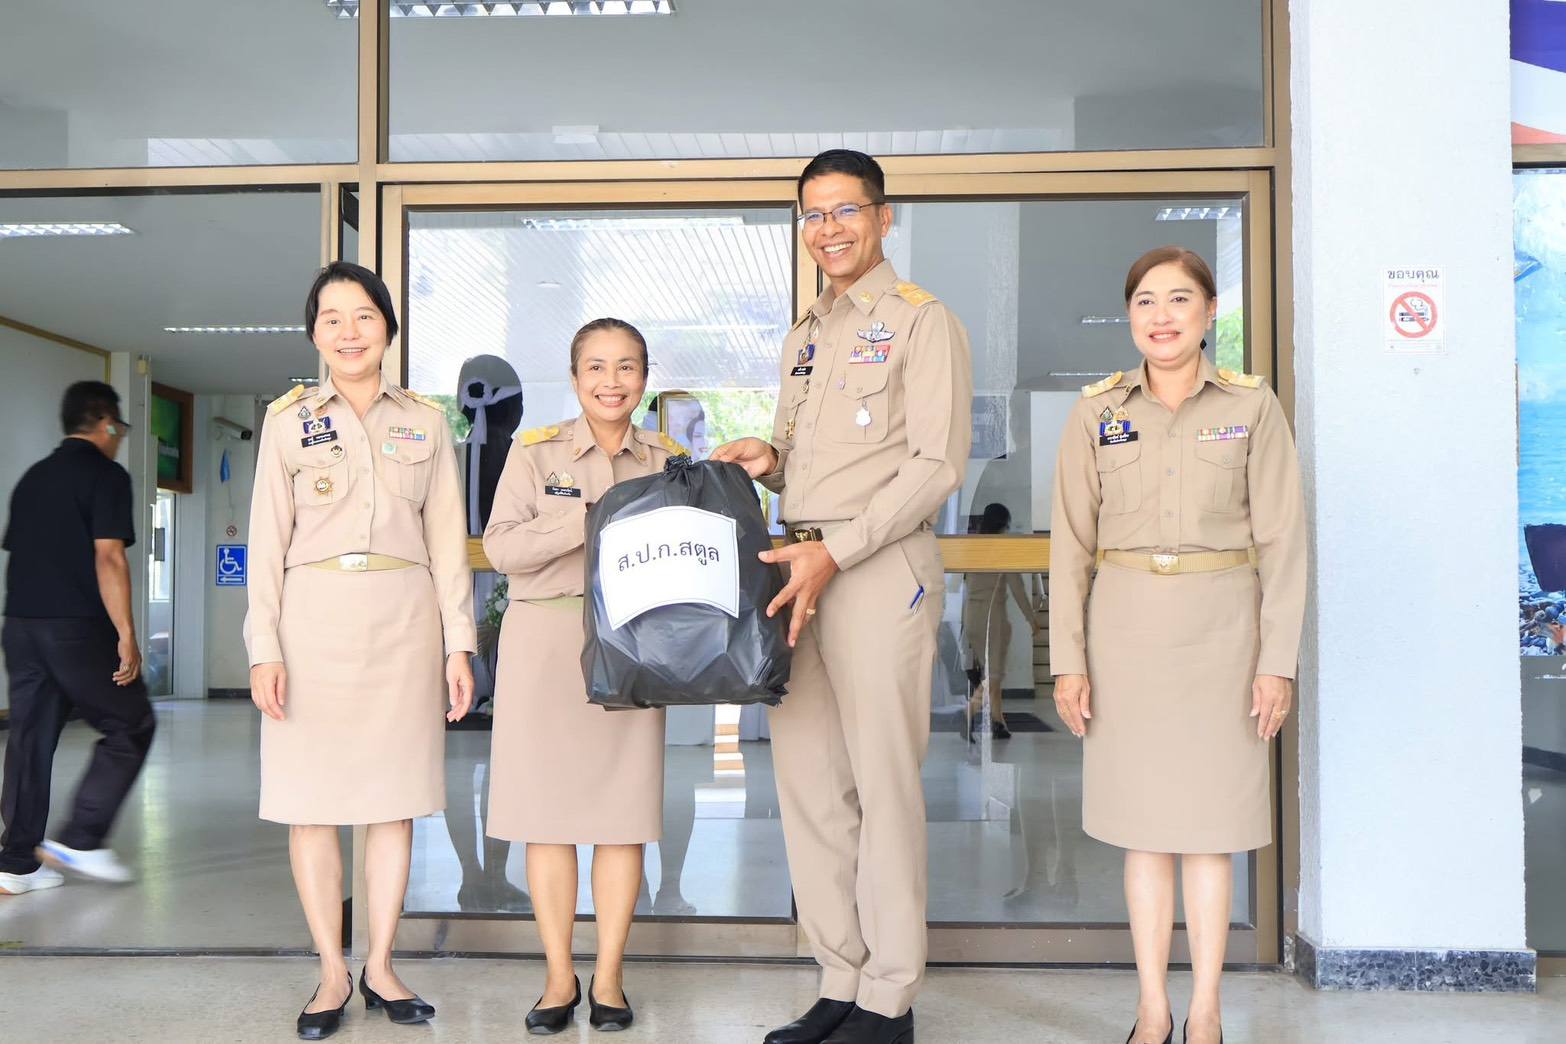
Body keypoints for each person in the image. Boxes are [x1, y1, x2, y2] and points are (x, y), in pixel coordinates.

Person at [713, 149, 973, 1044]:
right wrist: (766, 459)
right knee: (810, 787)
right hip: (801, 570)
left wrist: (840, 549)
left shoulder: (921, 322)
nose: (828, 229)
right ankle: (839, 975)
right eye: (813, 214)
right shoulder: (805, 334)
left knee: (882, 786)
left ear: (883, 217)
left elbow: (935, 464)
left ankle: (890, 996)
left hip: (876, 569)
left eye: (845, 211)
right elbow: (804, 452)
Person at [1048, 246, 1305, 1044]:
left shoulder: (1251, 406)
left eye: (1179, 300)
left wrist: (1276, 662)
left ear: (1209, 312)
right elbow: (1068, 544)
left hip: (1225, 635)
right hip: (1124, 634)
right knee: (1145, 829)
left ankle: (1207, 1011)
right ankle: (1153, 1007)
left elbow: (1286, 540)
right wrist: (1068, 660)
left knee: (1209, 831)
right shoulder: (1096, 412)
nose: (1161, 316)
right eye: (1146, 302)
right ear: (1130, 317)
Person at [245, 261, 476, 1041]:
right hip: (311, 629)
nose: (348, 331)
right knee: (311, 807)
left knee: (393, 803)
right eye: (332, 318)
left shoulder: (428, 421)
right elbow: (267, 542)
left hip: (405, 626)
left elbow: (449, 542)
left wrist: (459, 643)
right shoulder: (286, 422)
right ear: (314, 333)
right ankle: (331, 972)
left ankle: (379, 964)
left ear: (388, 328)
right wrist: (262, 648)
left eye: (364, 315)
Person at [483, 317, 685, 1035]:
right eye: (596, 367)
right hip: (544, 639)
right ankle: (558, 977)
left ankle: (609, 979)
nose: (611, 381)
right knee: (548, 820)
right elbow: (500, 546)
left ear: (644, 376)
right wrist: (589, 519)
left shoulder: (667, 458)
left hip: (634, 642)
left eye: (626, 367)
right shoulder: (535, 454)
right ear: (574, 378)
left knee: (622, 819)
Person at [0, 381, 154, 895]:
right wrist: (127, 634)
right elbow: (108, 556)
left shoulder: (33, 479)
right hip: (74, 626)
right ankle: (82, 838)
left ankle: (16, 862)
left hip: (20, 625)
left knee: (29, 738)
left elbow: (21, 554)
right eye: (120, 428)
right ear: (107, 423)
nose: (119, 437)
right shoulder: (106, 475)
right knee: (131, 723)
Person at [960, 502, 1038, 741]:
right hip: (992, 616)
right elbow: (1017, 588)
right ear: (1004, 523)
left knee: (993, 673)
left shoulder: (972, 547)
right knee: (993, 675)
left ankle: (998, 722)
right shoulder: (1002, 547)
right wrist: (1031, 618)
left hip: (971, 614)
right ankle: (967, 713)